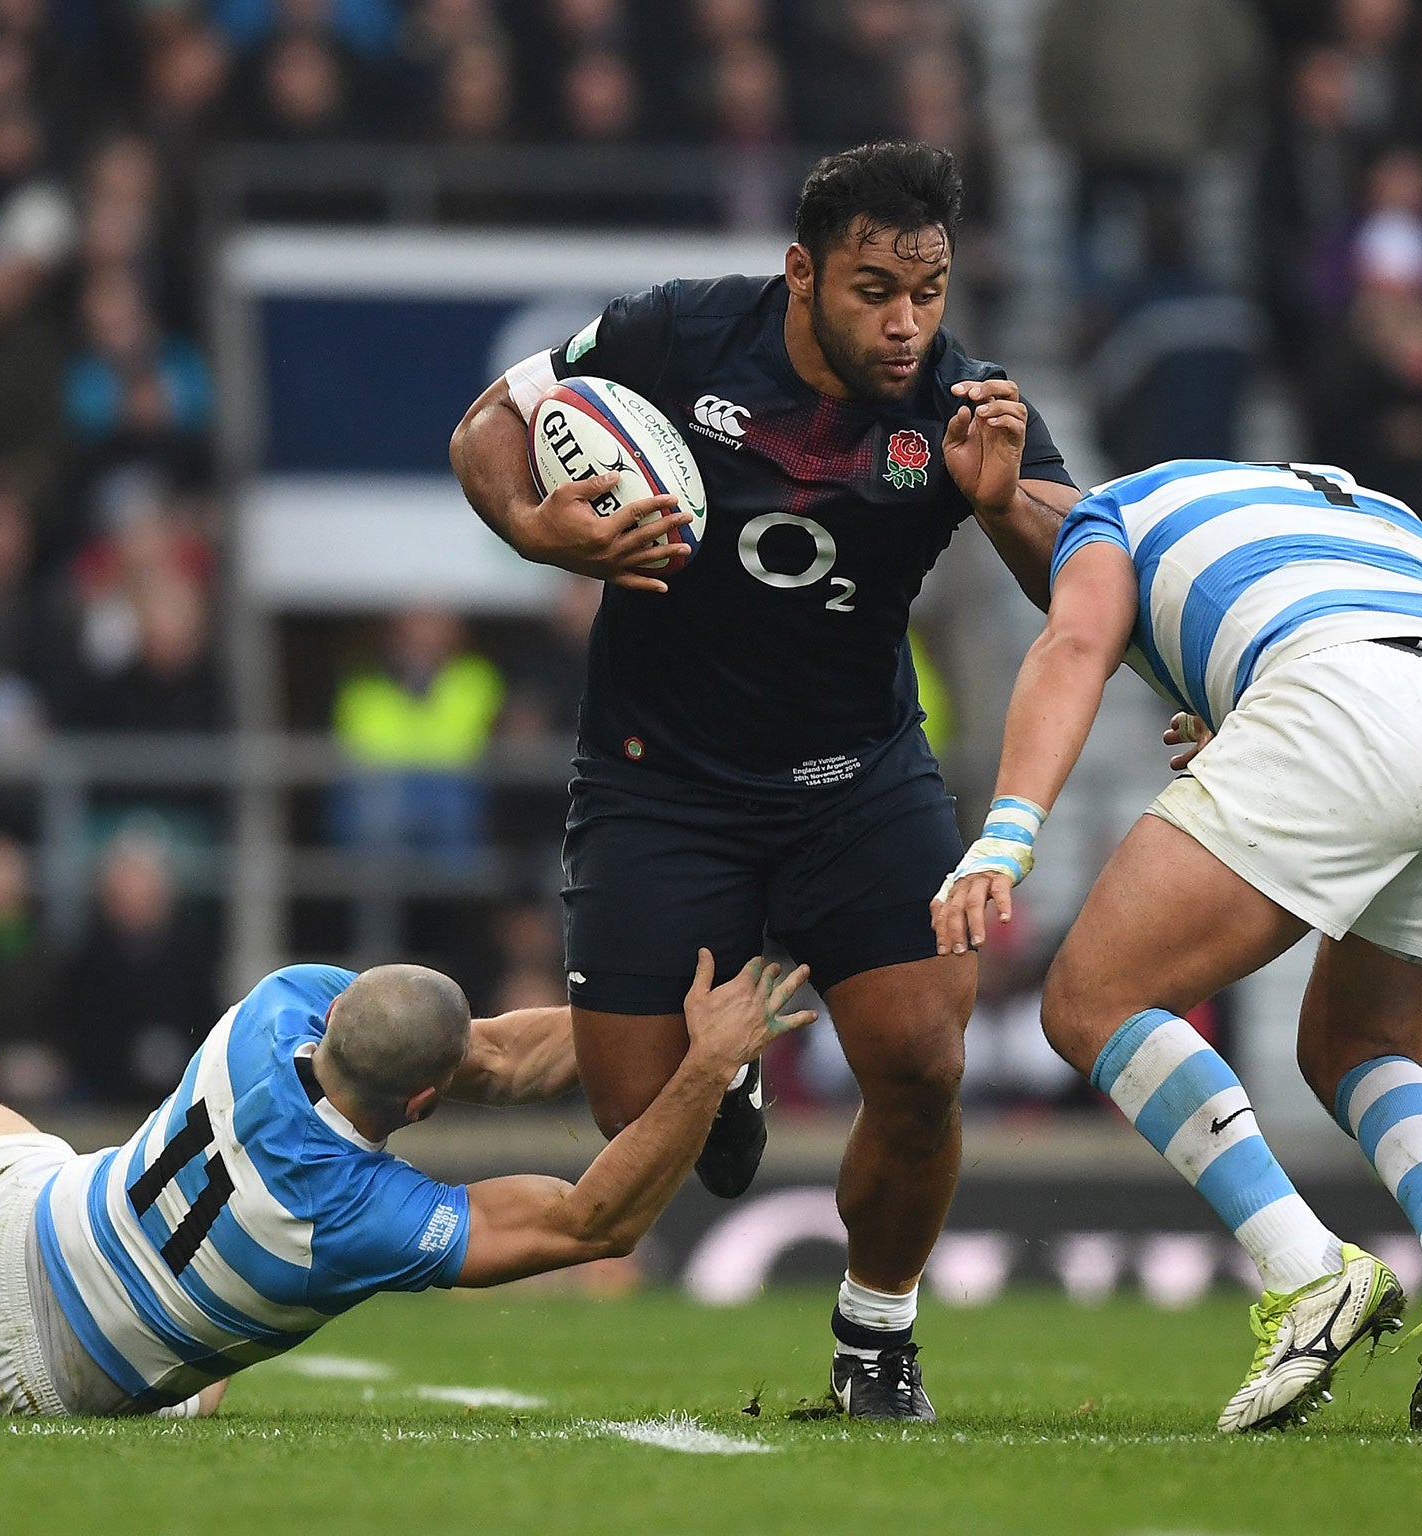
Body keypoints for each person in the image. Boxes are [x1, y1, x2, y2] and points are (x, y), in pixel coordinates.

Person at [450, 141, 1079, 1419]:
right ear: (801, 273)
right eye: (871, 291)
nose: (905, 324)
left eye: (928, 290)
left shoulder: (964, 401)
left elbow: (1085, 585)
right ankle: (717, 1070)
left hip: (858, 779)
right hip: (659, 780)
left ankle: (877, 1340)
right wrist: (532, 525)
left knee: (920, 1062)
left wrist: (1006, 507)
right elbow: (488, 426)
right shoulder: (677, 335)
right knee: (637, 1120)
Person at [931, 459, 1422, 1434]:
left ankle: (1308, 1270)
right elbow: (1343, 626)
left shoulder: (1110, 513)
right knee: (1360, 1046)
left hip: (1344, 703)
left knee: (1090, 999)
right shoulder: (1373, 505)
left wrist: (1004, 835)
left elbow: (1073, 641)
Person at [0, 954, 810, 1418]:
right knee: (211, 1363)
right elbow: (595, 1221)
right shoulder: (348, 1216)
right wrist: (705, 1065)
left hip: (12, 1227)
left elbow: (489, 1054)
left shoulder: (274, 1008)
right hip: (50, 1389)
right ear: (419, 1106)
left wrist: (663, 1026)